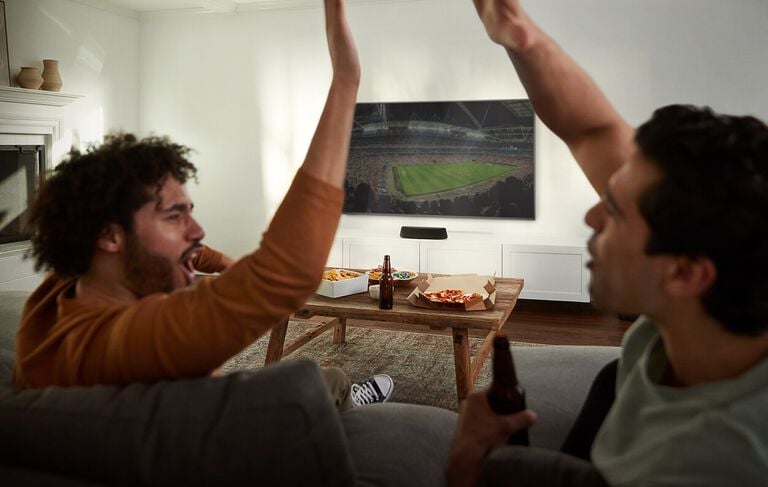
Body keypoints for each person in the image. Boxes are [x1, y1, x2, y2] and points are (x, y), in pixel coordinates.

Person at [13, 0, 393, 411]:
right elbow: (286, 275)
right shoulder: (124, 341)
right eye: (174, 216)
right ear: (109, 235)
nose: (196, 229)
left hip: (198, 406)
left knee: (308, 375)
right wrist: (346, 81)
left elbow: (181, 255)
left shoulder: (60, 296)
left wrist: (228, 268)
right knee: (323, 382)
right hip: (240, 438)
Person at [448, 0, 768, 485]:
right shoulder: (711, 288)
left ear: (684, 272)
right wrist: (520, 36)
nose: (592, 213)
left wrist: (467, 464)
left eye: (614, 211)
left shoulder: (709, 458)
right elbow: (590, 128)